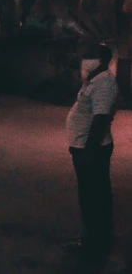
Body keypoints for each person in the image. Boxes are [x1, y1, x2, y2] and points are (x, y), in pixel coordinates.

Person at [64, 43, 118, 257]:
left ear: (101, 61)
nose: (83, 60)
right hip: (85, 147)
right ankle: (98, 237)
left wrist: (88, 151)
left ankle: (95, 242)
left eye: (89, 56)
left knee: (93, 196)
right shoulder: (93, 81)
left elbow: (101, 118)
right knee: (94, 194)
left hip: (93, 149)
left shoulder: (104, 83)